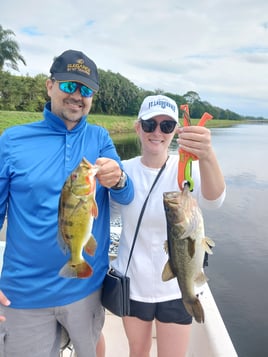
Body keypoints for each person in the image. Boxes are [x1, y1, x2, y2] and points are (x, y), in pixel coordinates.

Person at [0, 49, 134, 357]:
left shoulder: (100, 138)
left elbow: (126, 195)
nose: (77, 95)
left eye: (85, 89)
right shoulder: (12, 140)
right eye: (69, 85)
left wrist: (120, 178)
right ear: (50, 86)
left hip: (86, 288)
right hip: (24, 294)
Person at [110, 94, 226, 357]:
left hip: (176, 288)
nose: (157, 132)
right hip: (132, 284)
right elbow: (104, 215)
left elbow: (215, 199)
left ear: (176, 130)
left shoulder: (187, 169)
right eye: (150, 125)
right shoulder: (121, 172)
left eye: (166, 126)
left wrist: (207, 155)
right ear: (137, 127)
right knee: (137, 351)